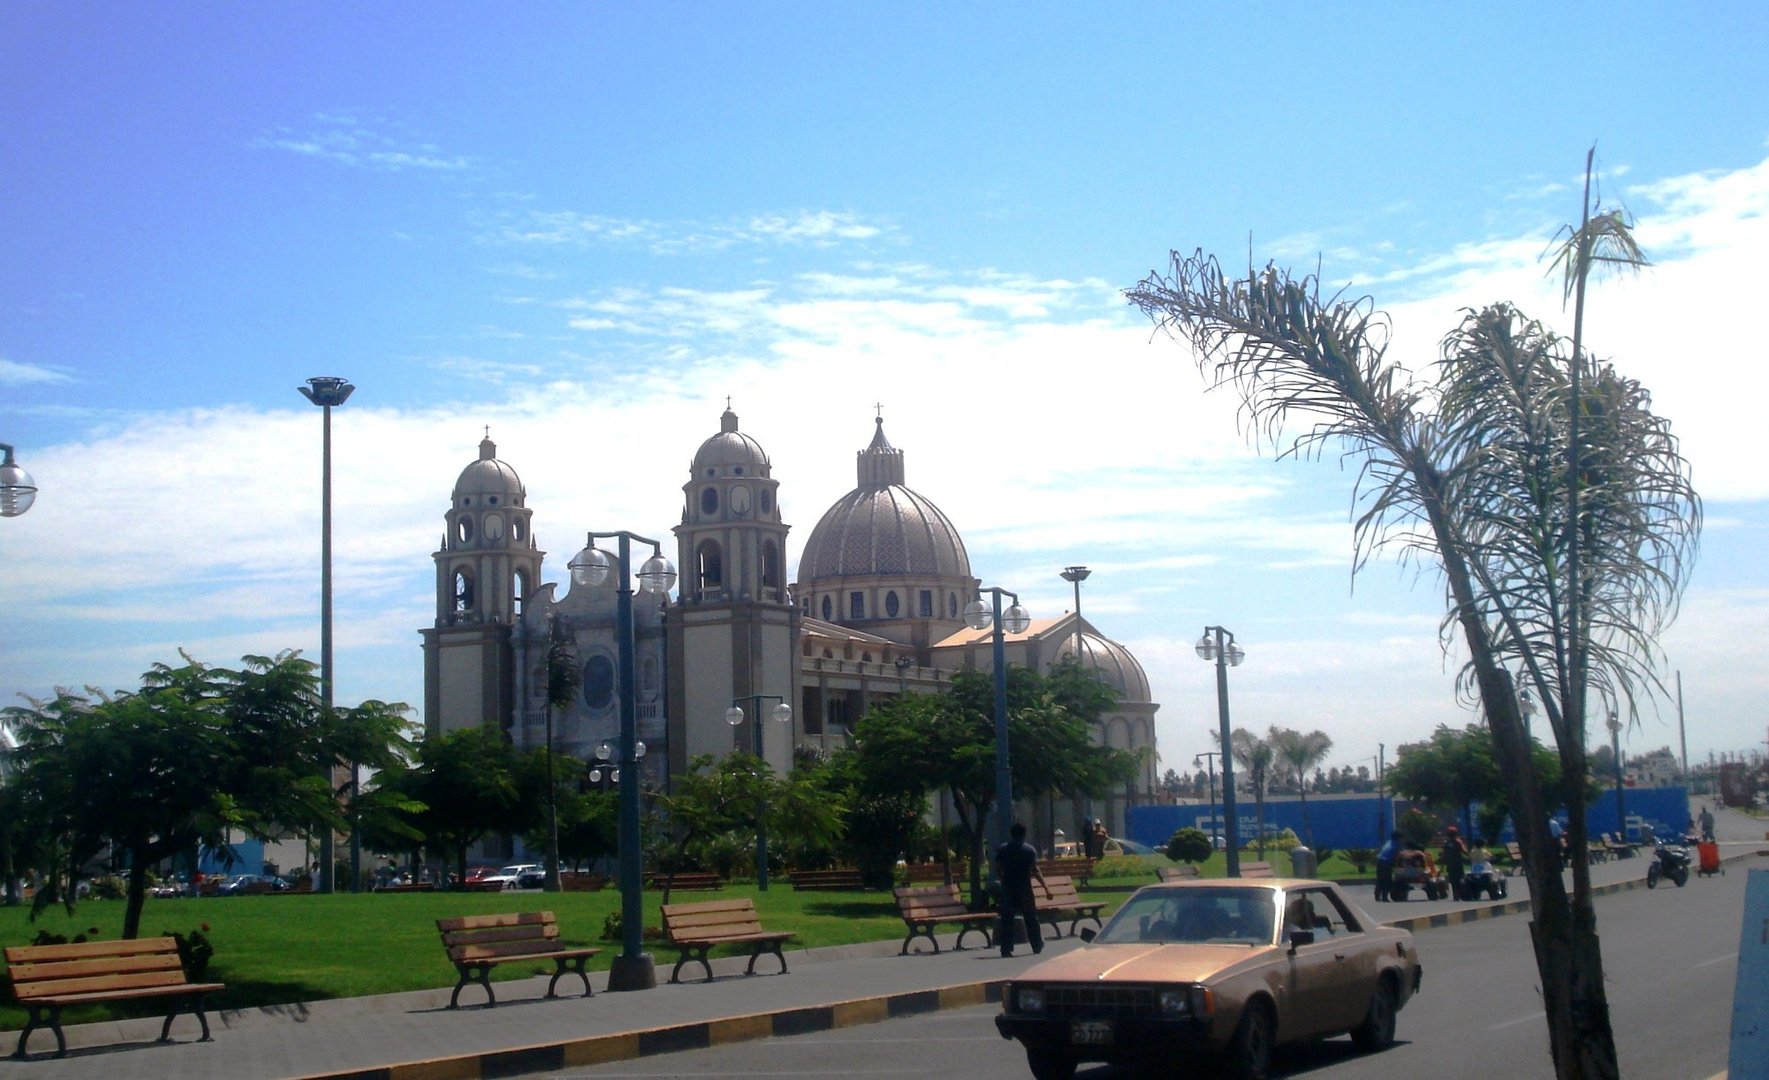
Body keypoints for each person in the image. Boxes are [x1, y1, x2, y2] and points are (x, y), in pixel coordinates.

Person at [993, 822, 1047, 958]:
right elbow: (1035, 870)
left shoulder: (1003, 850)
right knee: (1031, 918)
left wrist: (1003, 878)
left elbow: (997, 868)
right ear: (1024, 834)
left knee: (1007, 919)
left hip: (1008, 888)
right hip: (1024, 888)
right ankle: (1036, 944)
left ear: (1011, 834)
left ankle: (1006, 949)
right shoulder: (1029, 851)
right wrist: (1046, 888)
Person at [1442, 825, 1469, 898]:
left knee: (1453, 880)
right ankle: (1461, 893)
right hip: (1458, 863)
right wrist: (1469, 854)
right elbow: (1463, 850)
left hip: (1450, 863)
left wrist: (1443, 864)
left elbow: (1444, 854)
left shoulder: (1446, 843)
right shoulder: (1458, 841)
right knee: (1460, 878)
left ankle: (1455, 894)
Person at [1374, 831, 1400, 902]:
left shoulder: (1388, 842)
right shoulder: (1397, 845)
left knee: (1380, 878)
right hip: (1386, 862)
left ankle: (1377, 894)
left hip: (1379, 860)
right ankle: (1384, 897)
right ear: (1398, 838)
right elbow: (1397, 856)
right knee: (1387, 879)